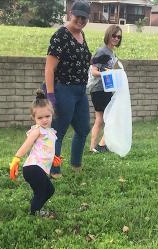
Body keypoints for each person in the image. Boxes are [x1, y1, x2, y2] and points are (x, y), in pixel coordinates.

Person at [45, 0, 92, 178]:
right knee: (58, 132)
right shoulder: (61, 35)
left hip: (80, 90)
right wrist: (51, 95)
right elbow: (49, 68)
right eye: (78, 16)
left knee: (83, 129)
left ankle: (76, 165)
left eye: (85, 17)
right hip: (64, 89)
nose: (81, 20)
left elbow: (83, 59)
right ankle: (54, 169)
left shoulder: (81, 34)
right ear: (71, 13)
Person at [9, 90, 60, 217]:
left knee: (48, 191)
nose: (44, 120)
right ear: (34, 118)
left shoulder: (50, 132)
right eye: (40, 118)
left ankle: (36, 209)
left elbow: (45, 147)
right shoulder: (37, 130)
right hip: (33, 168)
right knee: (43, 192)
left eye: (47, 116)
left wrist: (53, 158)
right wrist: (16, 158)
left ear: (52, 114)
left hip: (39, 168)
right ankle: (34, 213)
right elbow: (27, 144)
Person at [89, 25, 123, 153]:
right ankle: (100, 145)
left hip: (106, 89)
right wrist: (108, 74)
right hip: (99, 89)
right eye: (114, 35)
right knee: (109, 117)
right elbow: (93, 71)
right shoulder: (102, 51)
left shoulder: (112, 52)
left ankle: (93, 147)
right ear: (108, 35)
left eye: (119, 37)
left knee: (101, 118)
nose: (116, 38)